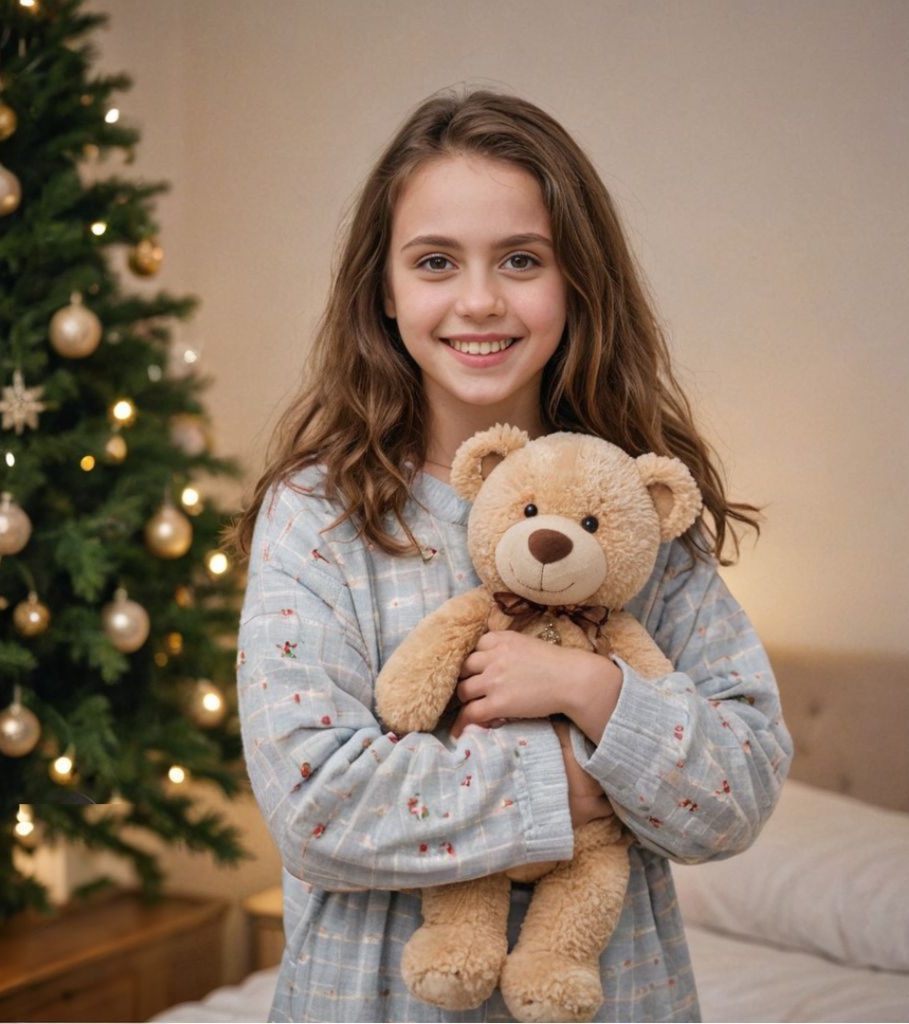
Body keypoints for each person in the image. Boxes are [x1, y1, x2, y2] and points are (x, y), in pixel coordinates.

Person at [230, 89, 792, 1023]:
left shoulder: (632, 516)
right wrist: (575, 783)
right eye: (436, 261)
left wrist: (595, 693)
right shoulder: (318, 516)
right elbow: (316, 808)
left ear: (576, 283)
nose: (479, 300)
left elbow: (742, 786)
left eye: (521, 260)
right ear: (385, 287)